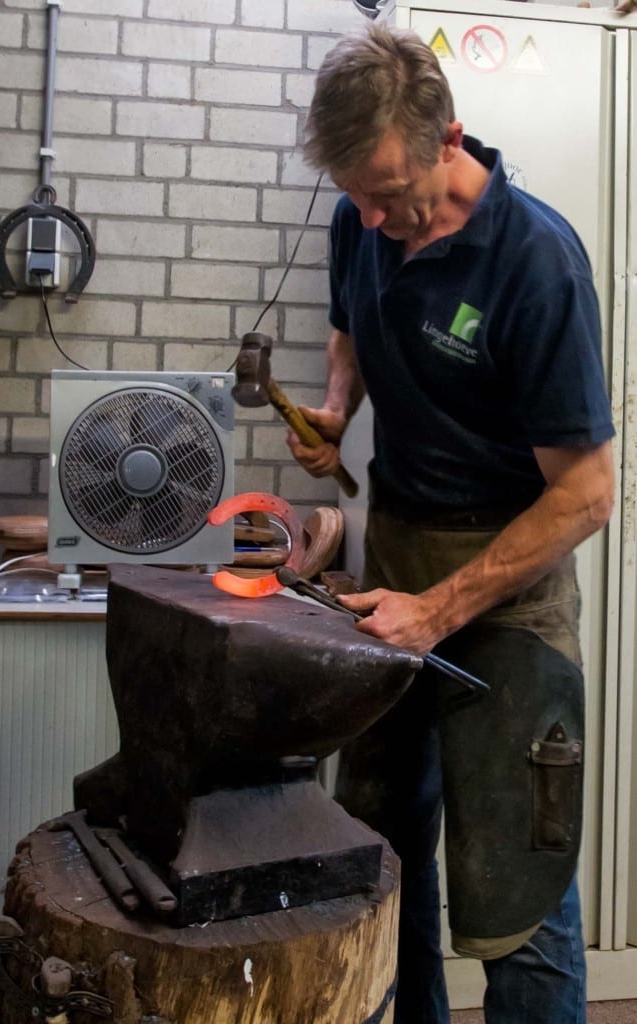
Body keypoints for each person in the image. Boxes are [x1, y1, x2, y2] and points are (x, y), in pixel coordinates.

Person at [286, 23, 615, 1024]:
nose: (371, 215)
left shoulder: (537, 262)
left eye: (389, 192)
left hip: (509, 585)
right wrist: (336, 406)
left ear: (450, 139)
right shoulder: (362, 219)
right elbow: (349, 327)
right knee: (381, 855)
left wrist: (438, 611)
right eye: (354, 194)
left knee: (517, 888)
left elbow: (586, 493)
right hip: (397, 556)